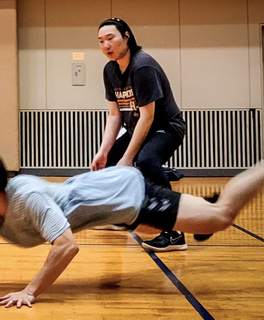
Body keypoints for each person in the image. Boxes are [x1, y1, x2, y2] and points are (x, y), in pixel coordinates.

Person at [0, 148, 264, 308]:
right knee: (151, 229)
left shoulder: (28, 198)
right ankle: (196, 211)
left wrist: (30, 291)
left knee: (223, 215)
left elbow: (66, 246)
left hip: (129, 195)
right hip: (117, 211)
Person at [91, 18, 186, 252]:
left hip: (167, 127)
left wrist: (129, 157)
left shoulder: (142, 66)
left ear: (126, 36)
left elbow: (148, 116)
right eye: (101, 41)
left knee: (147, 160)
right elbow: (115, 115)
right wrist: (103, 151)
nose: (106, 45)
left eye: (110, 38)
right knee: (111, 160)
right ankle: (120, 216)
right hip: (140, 127)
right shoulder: (110, 70)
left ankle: (174, 233)